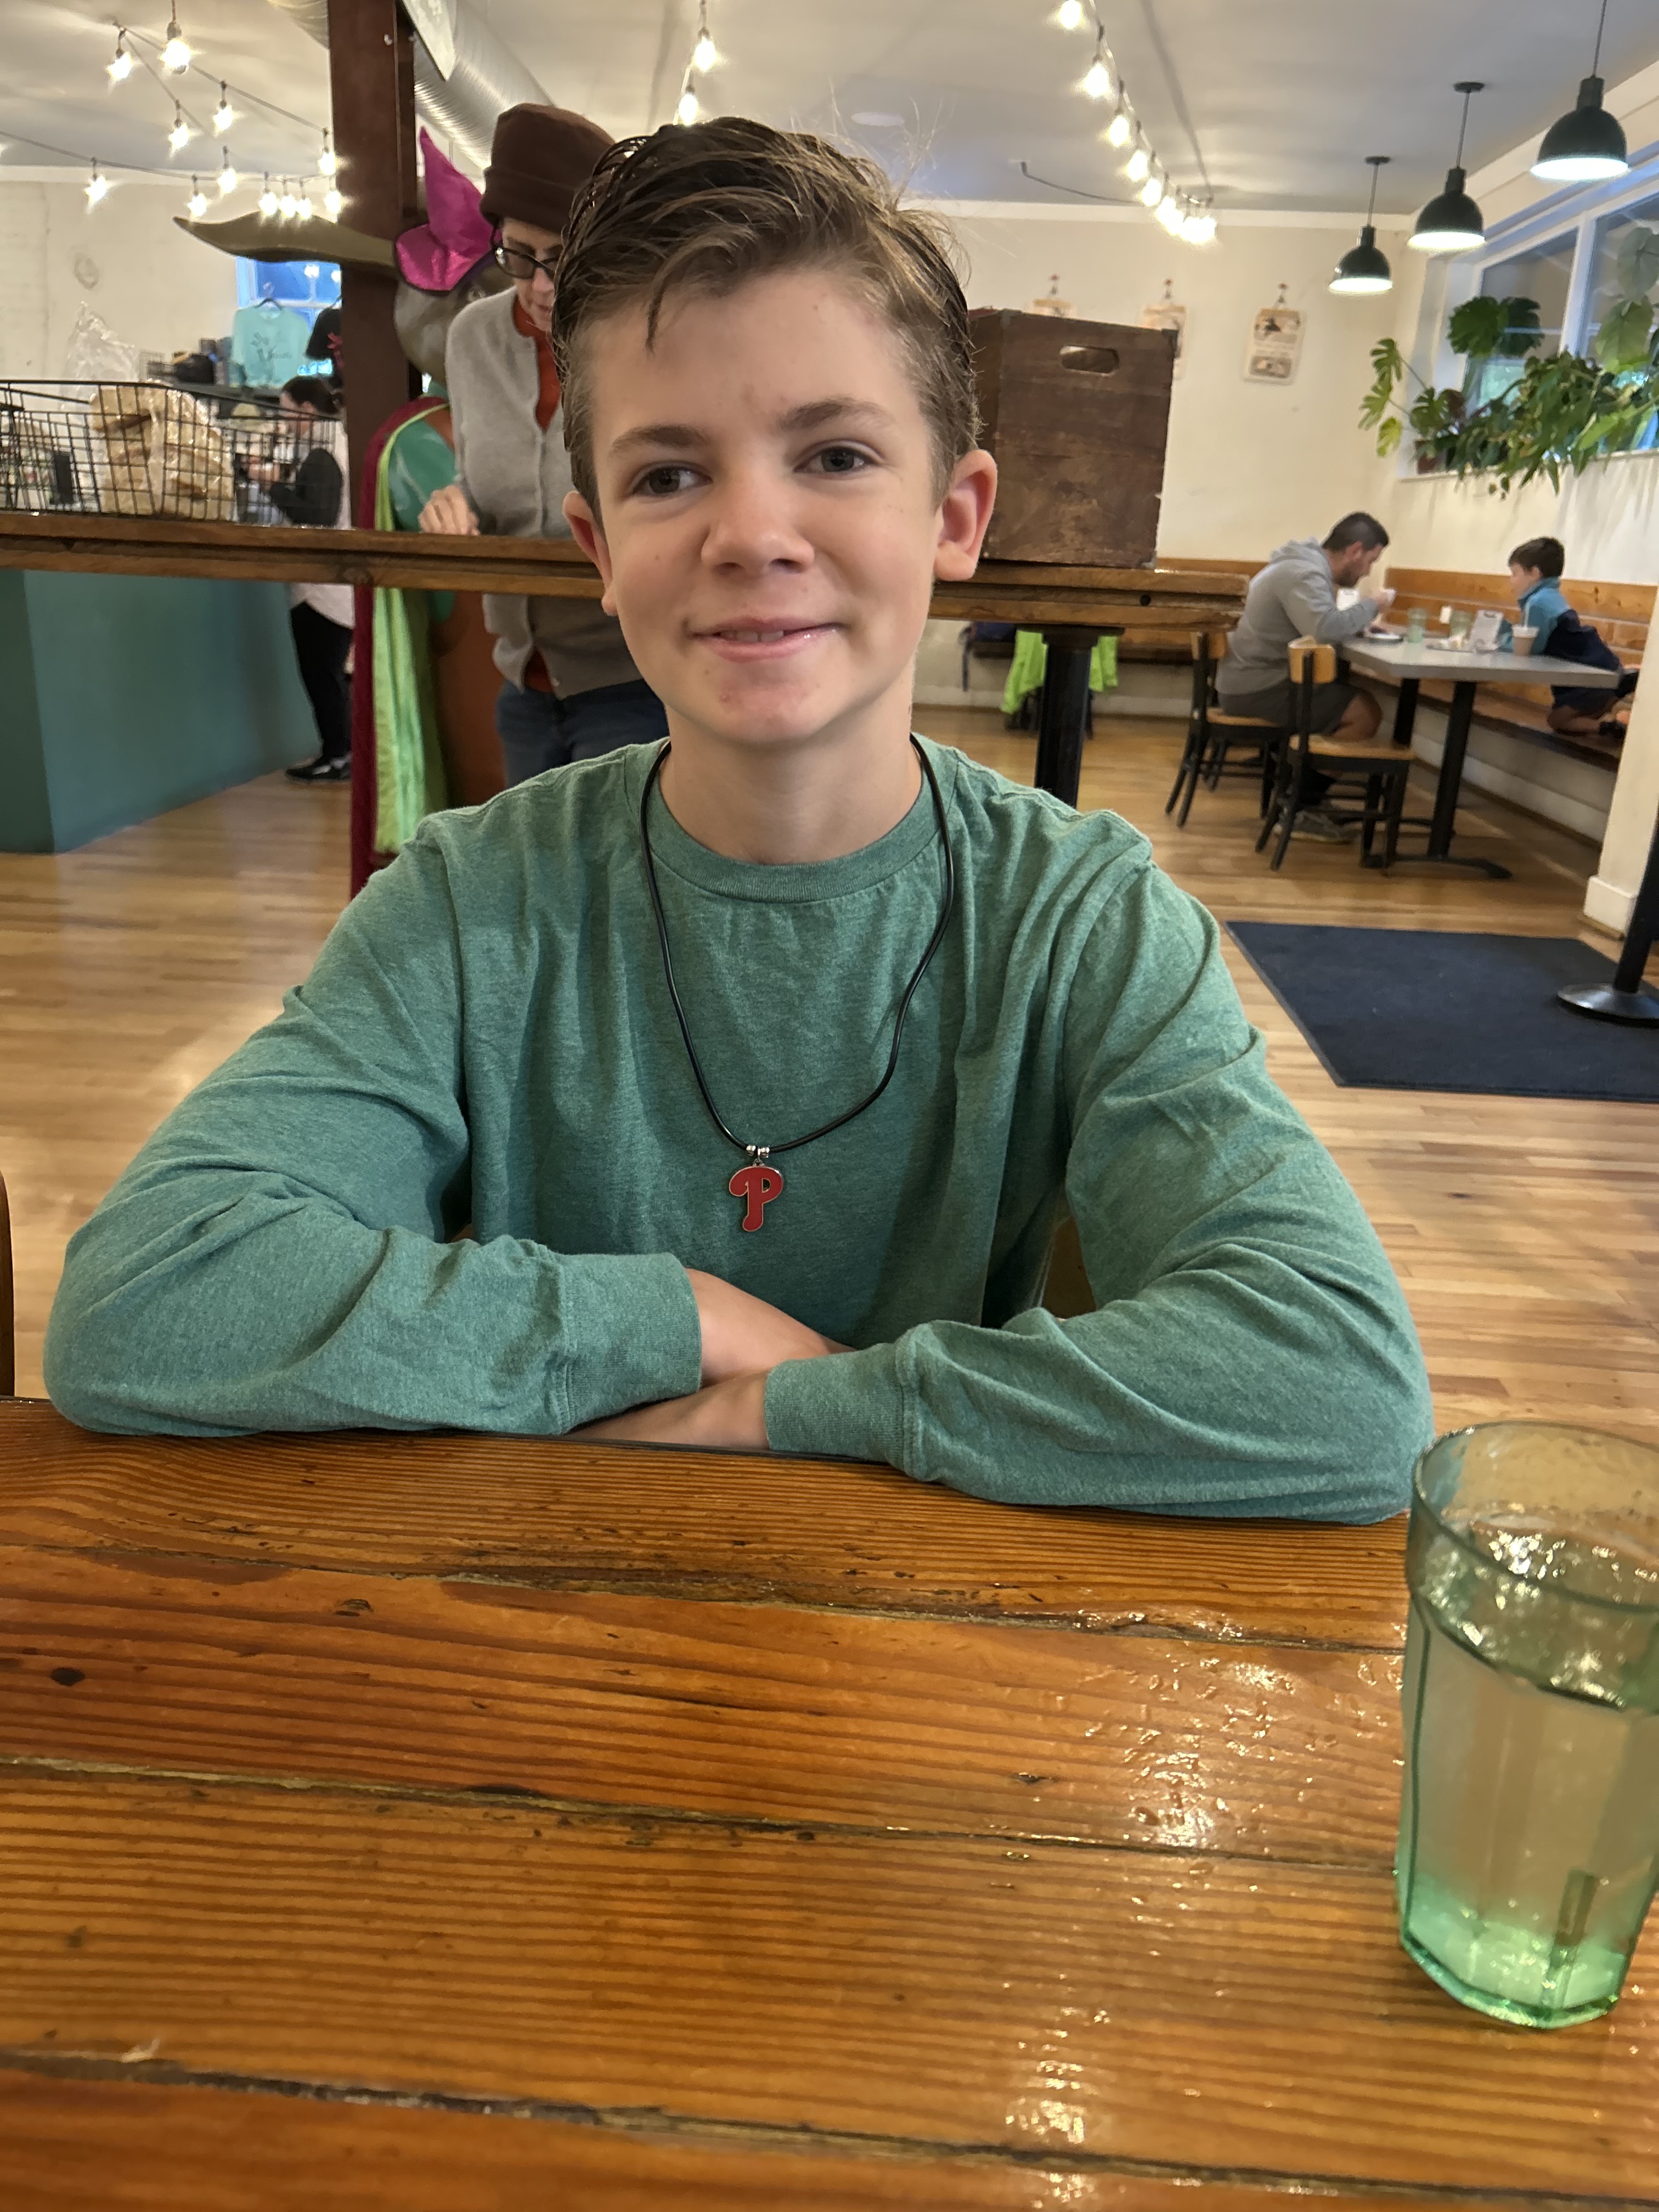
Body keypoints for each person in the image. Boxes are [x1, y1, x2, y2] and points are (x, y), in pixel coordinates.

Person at [44, 119, 1432, 1522]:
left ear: (955, 516)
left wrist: (802, 1401)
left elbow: (1339, 1392)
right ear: (598, 550)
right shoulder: (469, 902)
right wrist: (686, 1316)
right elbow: (146, 1295)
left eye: (835, 454)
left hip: (931, 1623)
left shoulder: (1087, 917)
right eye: (667, 474)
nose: (753, 535)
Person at [417, 102, 668, 786]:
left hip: (636, 679)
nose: (540, 286)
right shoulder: (473, 338)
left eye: (563, 260)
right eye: (519, 256)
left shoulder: (646, 340)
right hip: (523, 686)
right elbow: (484, 479)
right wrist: (454, 503)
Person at [1218, 515, 1396, 841]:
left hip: (1248, 678)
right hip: (1256, 686)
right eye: (1371, 561)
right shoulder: (1304, 573)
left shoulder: (1299, 565)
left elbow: (1318, 625)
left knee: (1347, 699)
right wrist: (1373, 605)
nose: (1368, 571)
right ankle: (1298, 807)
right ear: (1355, 551)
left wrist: (1354, 624)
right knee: (1365, 713)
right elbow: (1325, 629)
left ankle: (1303, 797)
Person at [255, 375, 353, 783]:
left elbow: (318, 517)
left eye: (286, 411)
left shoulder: (322, 454)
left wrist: (272, 486)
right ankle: (341, 752)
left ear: (307, 410)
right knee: (333, 676)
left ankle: (337, 754)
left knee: (322, 676)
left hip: (321, 589)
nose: (284, 421)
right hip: (338, 584)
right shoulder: (339, 446)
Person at [1506, 535, 1639, 740]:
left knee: (1557, 721)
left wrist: (1499, 640)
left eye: (1515, 573)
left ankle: (1611, 721)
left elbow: (1531, 648)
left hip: (1589, 673)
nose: (1511, 580)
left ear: (1534, 573)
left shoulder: (1537, 602)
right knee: (1575, 715)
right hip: (1598, 664)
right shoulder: (1551, 595)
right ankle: (1617, 693)